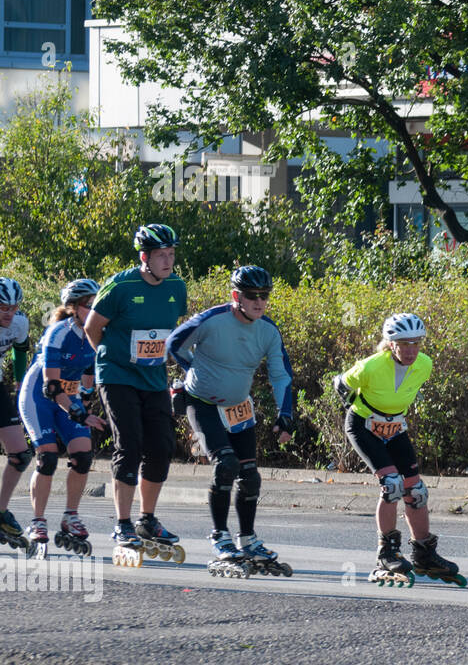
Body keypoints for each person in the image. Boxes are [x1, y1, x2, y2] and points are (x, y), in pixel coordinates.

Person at [166, 266, 295, 576]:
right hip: (203, 402)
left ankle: (247, 539)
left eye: (265, 296)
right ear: (236, 296)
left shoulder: (268, 330)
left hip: (239, 407)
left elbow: (280, 375)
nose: (260, 302)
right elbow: (174, 344)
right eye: (252, 296)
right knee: (226, 465)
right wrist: (192, 370)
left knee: (250, 476)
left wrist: (285, 415)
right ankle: (220, 536)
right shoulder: (212, 320)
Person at [332, 313, 462, 586]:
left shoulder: (425, 365)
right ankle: (386, 554)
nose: (411, 350)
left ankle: (424, 552)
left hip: (395, 427)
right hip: (364, 426)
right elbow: (340, 384)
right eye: (404, 343)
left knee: (416, 491)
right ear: (391, 344)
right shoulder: (370, 367)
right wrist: (356, 409)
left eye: (416, 343)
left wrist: (390, 420)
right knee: (391, 485)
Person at [83, 224, 187, 561]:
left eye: (171, 254)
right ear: (144, 258)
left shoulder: (176, 286)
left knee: (161, 446)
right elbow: (91, 327)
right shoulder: (120, 286)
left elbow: (169, 332)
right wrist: (109, 360)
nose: (168, 261)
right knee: (129, 444)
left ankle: (147, 520)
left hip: (153, 377)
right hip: (117, 375)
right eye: (161, 255)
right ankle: (123, 523)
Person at [17, 279, 105, 557]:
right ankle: (37, 521)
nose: (94, 310)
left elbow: (88, 374)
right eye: (89, 305)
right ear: (74, 308)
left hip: (69, 397)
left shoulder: (96, 332)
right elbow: (51, 388)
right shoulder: (58, 332)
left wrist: (87, 404)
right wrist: (79, 413)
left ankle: (70, 516)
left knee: (83, 456)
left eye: (96, 305)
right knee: (48, 458)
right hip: (39, 397)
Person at [0, 277, 33, 552]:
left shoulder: (20, 322)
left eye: (13, 307)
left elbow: (20, 351)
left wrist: (19, 383)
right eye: (3, 308)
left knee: (20, 454)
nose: (9, 313)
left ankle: (0, 512)